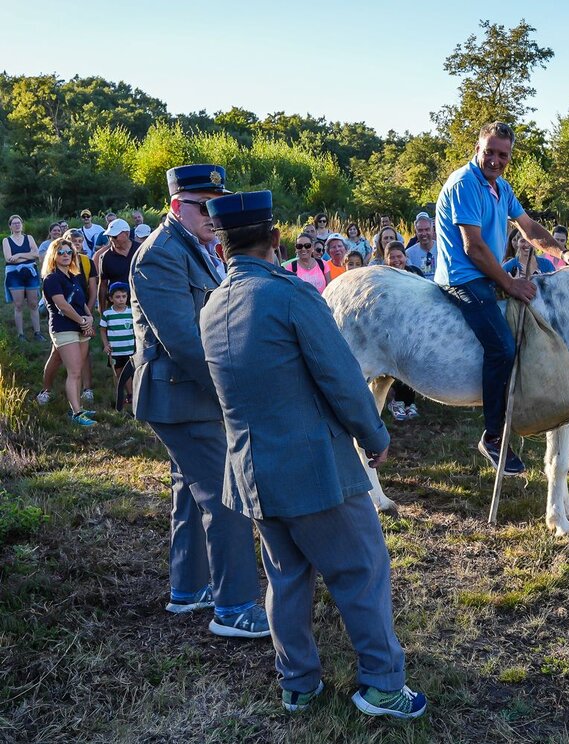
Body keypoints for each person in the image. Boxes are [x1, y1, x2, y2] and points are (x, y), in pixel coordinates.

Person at [199, 190, 427, 718]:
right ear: (275, 239)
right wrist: (374, 435)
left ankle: (298, 683)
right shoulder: (292, 296)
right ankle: (383, 685)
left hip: (252, 472)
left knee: (285, 577)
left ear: (224, 247)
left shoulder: (212, 305)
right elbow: (343, 378)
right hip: (312, 467)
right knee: (362, 568)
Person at [130, 164, 268, 638]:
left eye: (216, 203)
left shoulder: (200, 247)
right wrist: (232, 393)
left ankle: (188, 589)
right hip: (180, 394)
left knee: (191, 492)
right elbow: (186, 341)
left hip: (188, 394)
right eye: (201, 204)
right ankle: (235, 607)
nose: (213, 213)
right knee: (224, 496)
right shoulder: (161, 255)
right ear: (176, 206)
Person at [434, 121, 569, 475]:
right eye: (490, 152)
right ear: (477, 148)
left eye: (503, 155)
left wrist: (563, 253)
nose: (496, 160)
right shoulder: (465, 183)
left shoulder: (500, 187)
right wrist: (509, 284)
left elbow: (530, 228)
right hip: (463, 276)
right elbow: (474, 248)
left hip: (485, 272)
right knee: (502, 347)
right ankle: (493, 437)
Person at [37, 230, 98, 405]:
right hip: (64, 326)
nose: (65, 255)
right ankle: (50, 393)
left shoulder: (74, 277)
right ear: (53, 256)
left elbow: (81, 301)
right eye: (61, 252)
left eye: (68, 252)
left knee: (67, 363)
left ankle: (77, 404)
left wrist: (89, 318)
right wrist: (83, 322)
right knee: (72, 369)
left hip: (81, 326)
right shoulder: (51, 278)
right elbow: (62, 305)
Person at [384, 242, 424, 420]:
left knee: (411, 364)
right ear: (386, 260)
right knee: (396, 364)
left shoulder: (415, 273)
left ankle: (410, 402)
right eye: (392, 257)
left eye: (399, 256)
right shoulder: (384, 276)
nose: (396, 260)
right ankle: (396, 401)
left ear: (405, 257)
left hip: (414, 326)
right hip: (393, 327)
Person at [3, 214, 44, 341]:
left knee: (33, 303)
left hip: (30, 273)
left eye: (19, 223)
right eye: (14, 223)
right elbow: (9, 259)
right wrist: (28, 256)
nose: (17, 225)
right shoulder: (6, 240)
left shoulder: (29, 238)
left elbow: (36, 254)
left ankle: (37, 333)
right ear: (10, 226)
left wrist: (19, 254)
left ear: (22, 224)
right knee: (19, 305)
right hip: (14, 275)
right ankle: (21, 334)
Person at [99, 281, 136, 409]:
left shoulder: (132, 312)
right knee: (118, 374)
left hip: (130, 349)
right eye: (118, 297)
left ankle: (131, 394)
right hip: (115, 351)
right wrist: (106, 344)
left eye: (124, 296)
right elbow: (103, 330)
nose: (121, 300)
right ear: (111, 298)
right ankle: (122, 395)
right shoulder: (107, 314)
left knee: (129, 373)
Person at [97, 219, 139, 311]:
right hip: (116, 309)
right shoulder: (105, 257)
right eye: (109, 236)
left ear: (127, 234)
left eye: (115, 236)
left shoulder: (140, 250)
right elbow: (102, 284)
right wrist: (102, 310)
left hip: (141, 304)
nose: (111, 239)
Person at [405, 215, 438, 279]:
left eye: (427, 229)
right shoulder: (409, 254)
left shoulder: (442, 249)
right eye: (420, 230)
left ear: (433, 230)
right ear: (416, 232)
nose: (424, 233)